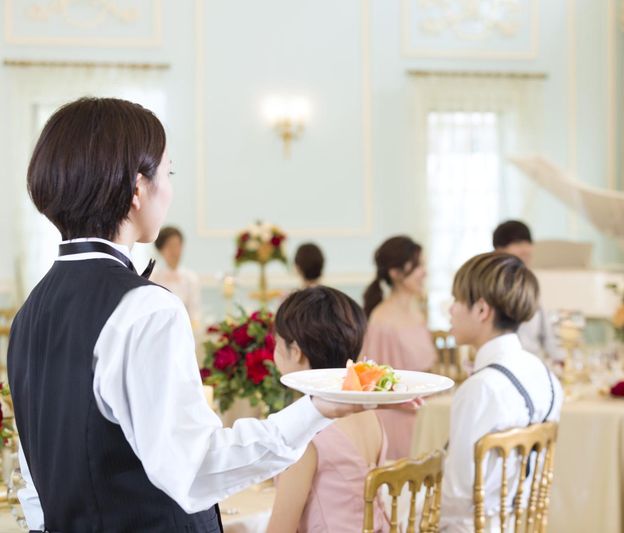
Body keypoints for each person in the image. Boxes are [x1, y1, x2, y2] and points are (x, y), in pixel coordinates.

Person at [7, 97, 372, 532]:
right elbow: (197, 468)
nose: (170, 189)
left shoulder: (29, 313)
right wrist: (315, 410)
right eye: (169, 173)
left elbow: (35, 484)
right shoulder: (146, 309)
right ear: (137, 189)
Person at [440, 252, 564, 532]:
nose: (451, 310)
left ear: (482, 310)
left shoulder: (481, 388)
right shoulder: (546, 376)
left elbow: (457, 497)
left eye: (457, 300)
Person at [267, 286, 390, 533]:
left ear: (296, 352)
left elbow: (280, 529)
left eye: (277, 343)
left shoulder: (304, 433)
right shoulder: (367, 412)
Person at [362, 235, 437, 459]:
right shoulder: (382, 321)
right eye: (417, 266)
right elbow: (375, 385)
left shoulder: (417, 311)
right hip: (398, 423)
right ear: (395, 273)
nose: (424, 272)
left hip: (424, 414)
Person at [492, 220, 562, 361]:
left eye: (528, 242)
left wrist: (560, 358)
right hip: (502, 362)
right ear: (498, 250)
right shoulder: (490, 287)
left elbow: (547, 334)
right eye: (518, 243)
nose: (526, 249)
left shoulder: (532, 285)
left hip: (533, 363)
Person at [150, 226, 202, 328]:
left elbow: (194, 312)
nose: (174, 251)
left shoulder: (191, 278)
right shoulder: (153, 277)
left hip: (184, 329)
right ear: (161, 249)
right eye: (170, 246)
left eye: (177, 245)